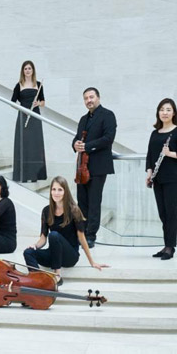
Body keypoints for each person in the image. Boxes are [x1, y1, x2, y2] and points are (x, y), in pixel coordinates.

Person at [23, 177, 108, 285]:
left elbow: (82, 238)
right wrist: (35, 246)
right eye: (54, 189)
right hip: (54, 254)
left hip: (70, 256)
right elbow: (43, 238)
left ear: (65, 192)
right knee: (28, 252)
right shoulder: (46, 211)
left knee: (54, 235)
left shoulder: (74, 210)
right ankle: (39, 280)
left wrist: (92, 262)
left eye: (60, 190)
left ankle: (57, 275)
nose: (56, 193)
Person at [145, 98, 177, 260]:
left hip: (172, 178)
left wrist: (170, 153)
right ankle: (166, 245)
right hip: (157, 178)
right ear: (158, 112)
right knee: (163, 213)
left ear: (174, 113)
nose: (165, 112)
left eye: (168, 110)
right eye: (162, 109)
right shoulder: (154, 133)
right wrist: (149, 173)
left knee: (170, 212)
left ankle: (170, 247)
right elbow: (150, 156)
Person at [73, 87, 117, 248]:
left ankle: (91, 235)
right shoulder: (83, 119)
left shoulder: (108, 115)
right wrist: (75, 144)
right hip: (82, 167)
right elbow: (77, 138)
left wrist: (87, 146)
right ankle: (82, 233)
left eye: (91, 97)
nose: (88, 100)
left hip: (98, 166)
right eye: (86, 98)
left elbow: (108, 138)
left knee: (94, 202)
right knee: (82, 202)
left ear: (98, 98)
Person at [11, 60, 47, 183]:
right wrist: (22, 109)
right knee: (24, 144)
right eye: (25, 68)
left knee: (35, 145)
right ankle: (23, 175)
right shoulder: (19, 85)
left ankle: (35, 175)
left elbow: (43, 102)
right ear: (23, 71)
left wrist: (38, 103)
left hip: (35, 116)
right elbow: (12, 102)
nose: (27, 71)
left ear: (33, 70)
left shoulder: (38, 84)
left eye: (29, 68)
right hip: (23, 117)